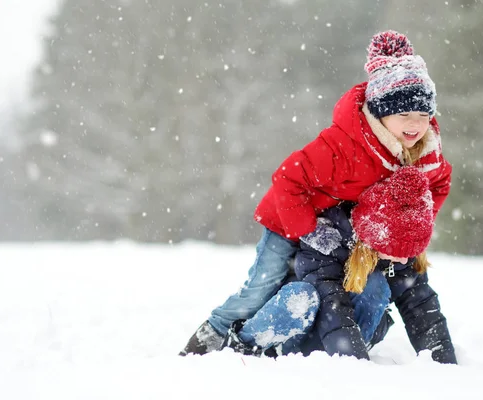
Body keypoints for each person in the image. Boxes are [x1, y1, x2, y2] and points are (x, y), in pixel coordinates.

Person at [179, 30, 452, 356]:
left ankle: (294, 337)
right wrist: (309, 228)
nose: (415, 124)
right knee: (260, 288)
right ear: (380, 113)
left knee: (337, 286)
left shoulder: (420, 152)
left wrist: (411, 227)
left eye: (423, 115)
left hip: (337, 226)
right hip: (288, 216)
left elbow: (438, 185)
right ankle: (214, 333)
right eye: (404, 114)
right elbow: (287, 180)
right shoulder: (344, 145)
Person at [220, 167, 457, 364]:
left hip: (347, 340)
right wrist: (352, 367)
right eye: (399, 251)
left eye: (411, 252)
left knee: (375, 286)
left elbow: (421, 306)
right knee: (301, 296)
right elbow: (332, 306)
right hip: (302, 329)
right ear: (375, 237)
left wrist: (445, 364)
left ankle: (339, 359)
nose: (404, 260)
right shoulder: (328, 240)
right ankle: (244, 348)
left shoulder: (400, 252)